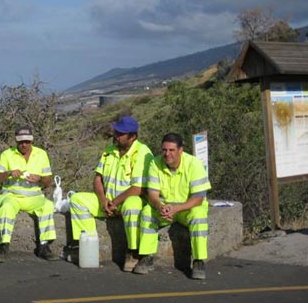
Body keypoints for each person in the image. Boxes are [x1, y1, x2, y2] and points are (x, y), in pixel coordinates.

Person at [69, 116, 153, 271]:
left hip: (126, 201)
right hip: (107, 202)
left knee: (132, 206)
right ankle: (88, 245)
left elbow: (138, 188)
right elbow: (98, 178)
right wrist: (103, 200)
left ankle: (133, 252)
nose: (116, 136)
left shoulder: (142, 152)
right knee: (77, 199)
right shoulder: (109, 151)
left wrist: (115, 203)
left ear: (132, 136)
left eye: (121, 134)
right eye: (116, 132)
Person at [137, 133, 211, 279]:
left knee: (199, 216)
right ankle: (147, 256)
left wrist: (176, 209)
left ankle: (198, 260)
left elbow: (198, 199)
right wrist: (159, 206)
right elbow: (152, 194)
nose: (167, 154)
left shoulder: (194, 164)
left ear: (180, 150)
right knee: (147, 212)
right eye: (164, 150)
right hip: (165, 209)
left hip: (186, 209)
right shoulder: (155, 163)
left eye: (171, 150)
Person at [0, 127, 58, 262]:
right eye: (21, 142)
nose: (24, 144)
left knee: (47, 206)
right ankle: (4, 245)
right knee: (6, 208)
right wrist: (9, 173)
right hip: (12, 195)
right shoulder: (7, 154)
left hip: (34, 196)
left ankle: (44, 246)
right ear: (16, 141)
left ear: (31, 141)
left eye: (27, 141)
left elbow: (48, 181)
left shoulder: (41, 154)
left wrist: (39, 178)